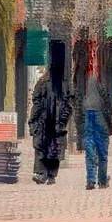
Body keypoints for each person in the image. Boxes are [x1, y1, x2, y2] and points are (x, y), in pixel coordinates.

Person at [29, 41, 72, 184]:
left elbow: (67, 104)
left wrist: (62, 119)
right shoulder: (47, 82)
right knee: (45, 146)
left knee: (49, 146)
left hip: (52, 120)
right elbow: (37, 101)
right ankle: (44, 173)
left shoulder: (51, 82)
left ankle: (48, 174)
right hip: (48, 120)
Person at [82, 44, 112, 190]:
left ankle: (90, 180)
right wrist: (110, 124)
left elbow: (77, 102)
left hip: (88, 114)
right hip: (99, 115)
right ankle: (102, 180)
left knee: (89, 148)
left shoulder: (82, 79)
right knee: (102, 150)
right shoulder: (102, 79)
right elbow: (107, 103)